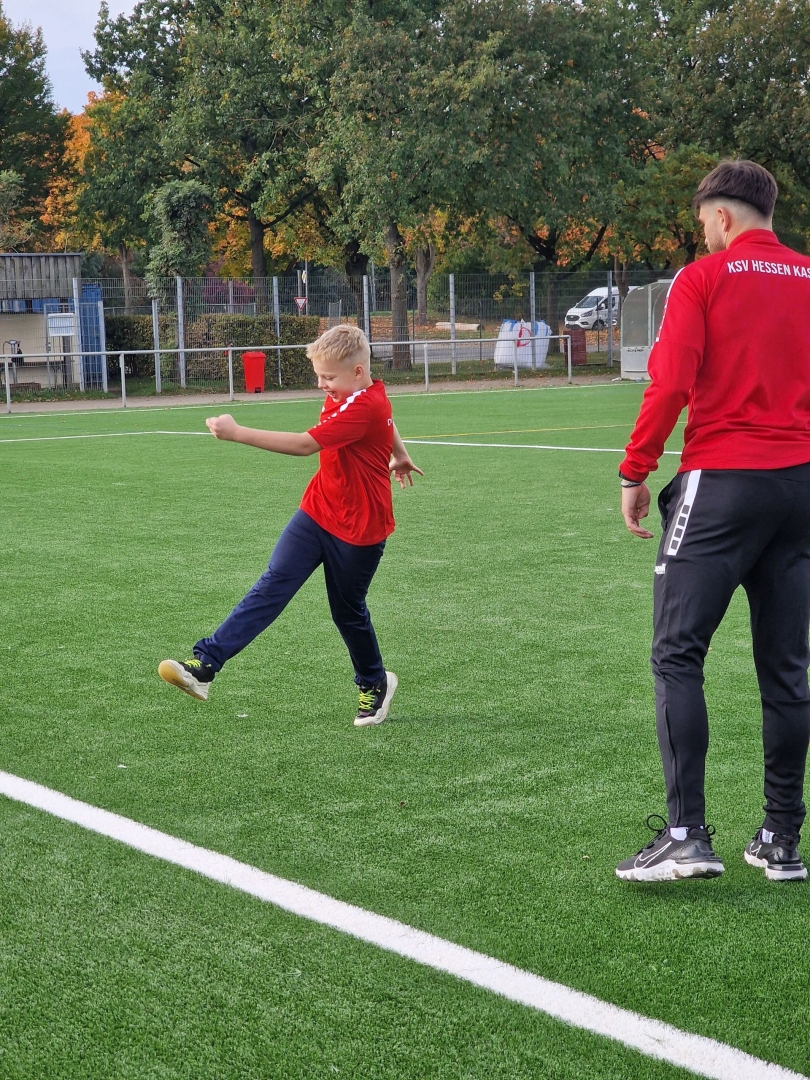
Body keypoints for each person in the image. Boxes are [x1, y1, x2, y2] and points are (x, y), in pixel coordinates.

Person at [616, 160, 810, 883]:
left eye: (703, 223)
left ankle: (685, 835)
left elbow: (670, 379)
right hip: (800, 486)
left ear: (722, 217)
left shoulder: (703, 278)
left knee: (677, 653)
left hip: (723, 481)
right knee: (787, 666)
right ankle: (782, 838)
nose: (704, 235)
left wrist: (636, 469)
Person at [158, 324, 422, 727]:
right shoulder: (354, 393)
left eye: (328, 377)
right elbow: (387, 418)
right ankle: (205, 665)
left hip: (360, 530)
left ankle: (375, 681)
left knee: (347, 613)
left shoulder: (364, 405)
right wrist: (399, 453)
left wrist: (236, 433)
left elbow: (304, 445)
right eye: (319, 376)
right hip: (317, 511)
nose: (321, 385)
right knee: (272, 584)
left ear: (357, 372)